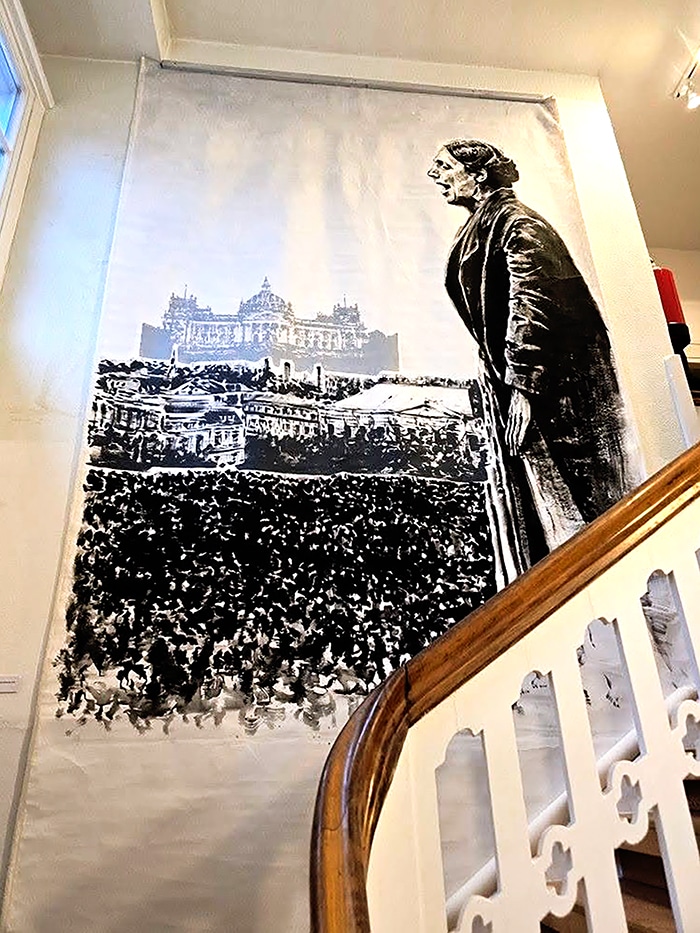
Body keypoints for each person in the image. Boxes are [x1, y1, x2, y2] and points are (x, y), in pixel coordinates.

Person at [427, 138, 631, 587]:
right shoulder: (483, 225)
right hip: (524, 386)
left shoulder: (518, 225)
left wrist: (522, 386)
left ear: (478, 175)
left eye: (444, 166)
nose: (434, 175)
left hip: (558, 393)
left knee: (577, 500)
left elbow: (531, 304)